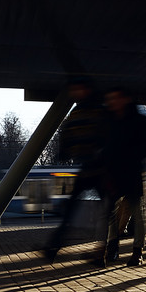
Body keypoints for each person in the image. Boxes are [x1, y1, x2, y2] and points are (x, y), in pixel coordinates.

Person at [45, 77, 106, 262]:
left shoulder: (93, 111)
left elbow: (71, 132)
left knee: (84, 208)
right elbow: (68, 132)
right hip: (90, 167)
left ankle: (55, 246)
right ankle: (55, 245)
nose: (74, 94)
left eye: (77, 90)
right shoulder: (82, 110)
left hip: (98, 168)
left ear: (85, 90)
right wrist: (65, 150)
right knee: (104, 209)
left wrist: (65, 151)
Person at [101, 87, 146, 267]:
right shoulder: (112, 120)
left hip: (131, 172)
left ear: (125, 100)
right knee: (115, 213)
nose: (112, 103)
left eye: (115, 99)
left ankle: (133, 251)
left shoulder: (137, 121)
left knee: (136, 213)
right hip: (118, 173)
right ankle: (117, 248)